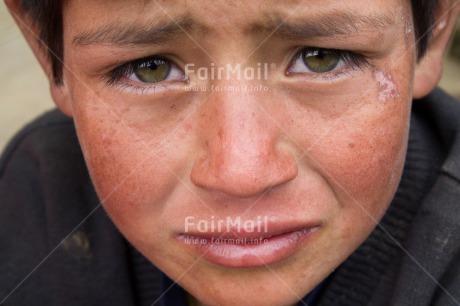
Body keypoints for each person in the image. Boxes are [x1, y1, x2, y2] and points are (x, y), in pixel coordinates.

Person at [1, 0, 460, 305]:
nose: (242, 174)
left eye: (321, 56)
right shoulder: (32, 200)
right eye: (151, 69)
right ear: (48, 51)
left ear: (432, 29)